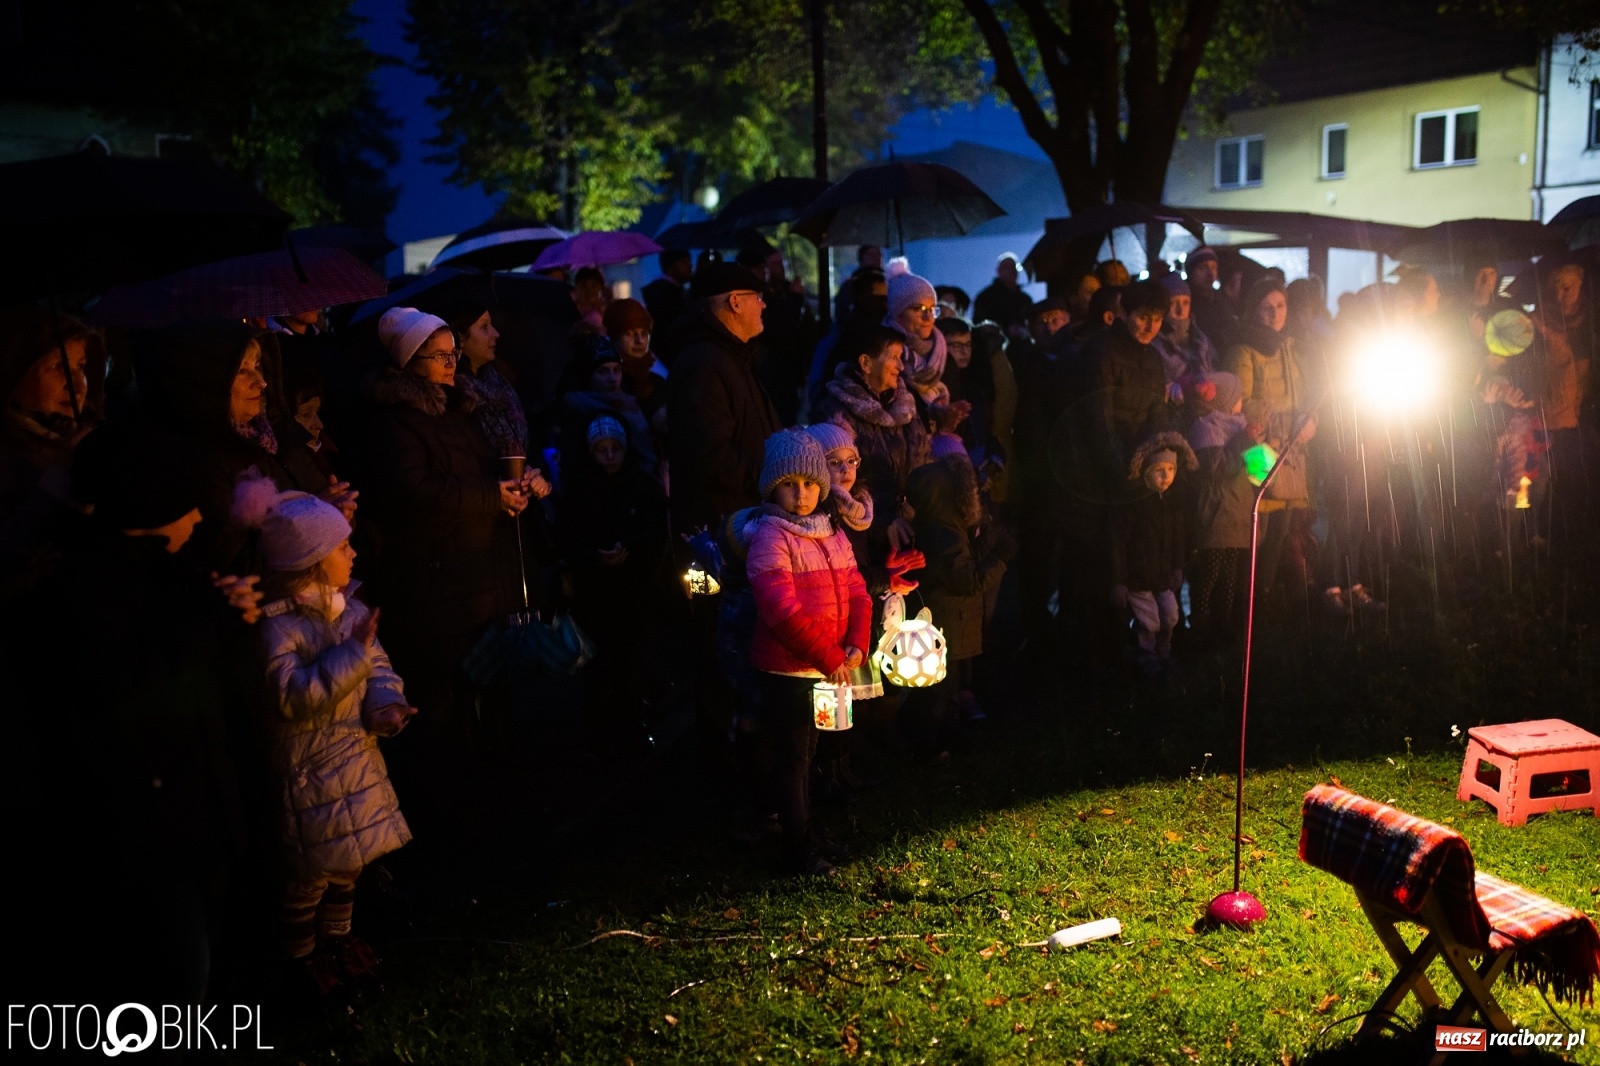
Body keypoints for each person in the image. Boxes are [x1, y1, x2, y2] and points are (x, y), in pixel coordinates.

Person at [233, 477, 413, 992]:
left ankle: (337, 943)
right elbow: (293, 697)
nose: (354, 553)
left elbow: (378, 668)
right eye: (342, 546)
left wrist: (386, 703)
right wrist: (350, 656)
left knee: (347, 866)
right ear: (310, 561)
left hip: (353, 762)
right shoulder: (276, 628)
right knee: (307, 876)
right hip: (308, 775)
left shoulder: (350, 609)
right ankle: (298, 958)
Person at [363, 306, 536, 837]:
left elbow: (483, 467)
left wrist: (517, 482)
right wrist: (488, 496)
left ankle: (484, 801)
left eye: (451, 352)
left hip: (476, 572)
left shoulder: (457, 409)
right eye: (440, 355)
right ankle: (441, 817)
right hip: (435, 582)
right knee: (438, 703)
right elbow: (413, 492)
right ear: (411, 361)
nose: (451, 362)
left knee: (476, 692)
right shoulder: (398, 422)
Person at [742, 428, 871, 874]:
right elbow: (780, 609)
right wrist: (828, 656)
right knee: (794, 759)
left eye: (811, 484)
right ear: (772, 486)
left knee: (810, 755)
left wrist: (856, 641)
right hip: (788, 670)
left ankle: (808, 832)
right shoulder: (770, 536)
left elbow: (857, 590)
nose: (802, 494)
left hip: (824, 667)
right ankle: (798, 849)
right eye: (791, 484)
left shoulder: (832, 533)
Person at [555, 415, 669, 757]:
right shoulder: (578, 488)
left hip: (633, 592)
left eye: (615, 448)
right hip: (595, 594)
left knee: (631, 664)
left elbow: (655, 530)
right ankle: (601, 739)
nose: (609, 456)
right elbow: (567, 535)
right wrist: (592, 555)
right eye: (601, 449)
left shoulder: (642, 485)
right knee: (597, 667)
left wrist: (628, 548)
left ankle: (632, 731)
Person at [905, 450, 1015, 752]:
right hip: (949, 622)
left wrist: (987, 541)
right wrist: (1000, 558)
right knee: (939, 691)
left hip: (950, 621)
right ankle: (928, 745)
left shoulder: (944, 527)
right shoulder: (946, 535)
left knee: (947, 687)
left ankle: (946, 734)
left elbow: (963, 564)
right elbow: (968, 581)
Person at [665, 261, 782, 534]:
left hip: (740, 524)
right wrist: (772, 478)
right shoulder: (704, 365)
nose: (764, 306)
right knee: (703, 581)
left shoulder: (734, 358)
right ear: (735, 302)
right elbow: (711, 457)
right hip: (715, 535)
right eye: (758, 298)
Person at [0, 308, 100, 598]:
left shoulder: (95, 435)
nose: (77, 384)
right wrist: (59, 476)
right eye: (57, 367)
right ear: (14, 373)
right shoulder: (7, 456)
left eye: (81, 366)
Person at [1227, 277, 1317, 597]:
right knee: (1258, 528)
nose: (1275, 314)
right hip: (1258, 448)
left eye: (1280, 306)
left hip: (1291, 449)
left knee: (1281, 526)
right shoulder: (1244, 350)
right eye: (1266, 308)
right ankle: (1246, 601)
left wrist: (1310, 420)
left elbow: (1302, 396)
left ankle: (1263, 595)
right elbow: (1240, 405)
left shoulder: (1288, 347)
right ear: (1253, 311)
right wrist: (1275, 427)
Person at [813, 325, 931, 554]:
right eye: (894, 357)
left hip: (912, 526)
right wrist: (881, 522)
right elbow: (840, 484)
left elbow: (924, 459)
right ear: (866, 363)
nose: (900, 366)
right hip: (864, 537)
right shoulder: (836, 414)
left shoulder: (906, 407)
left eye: (901, 357)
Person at [1109, 433, 1195, 675]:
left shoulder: (1171, 501)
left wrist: (1178, 566)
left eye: (1171, 468)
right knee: (1150, 621)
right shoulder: (1133, 502)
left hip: (1162, 576)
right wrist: (1118, 580)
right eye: (1159, 469)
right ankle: (1144, 655)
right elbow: (1118, 542)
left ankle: (1163, 653)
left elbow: (1177, 538)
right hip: (1137, 578)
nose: (1166, 475)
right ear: (1146, 469)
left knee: (1170, 616)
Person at [1186, 372, 1257, 644]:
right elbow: (1219, 470)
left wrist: (1257, 444)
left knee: (1229, 576)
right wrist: (1243, 442)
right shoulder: (1207, 428)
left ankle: (1223, 625)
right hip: (1216, 512)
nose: (1241, 403)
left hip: (1235, 511)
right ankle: (1200, 627)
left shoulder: (1236, 426)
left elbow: (1252, 469)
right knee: (1209, 574)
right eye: (1237, 398)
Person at [558, 335, 656, 481]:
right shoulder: (579, 412)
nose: (612, 378)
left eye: (616, 370)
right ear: (589, 376)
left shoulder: (632, 404)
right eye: (603, 371)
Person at [884, 260, 951, 406]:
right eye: (918, 309)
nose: (928, 317)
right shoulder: (883, 355)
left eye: (932, 309)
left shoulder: (944, 351)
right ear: (898, 313)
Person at [1150, 273, 1217, 400]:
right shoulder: (1155, 342)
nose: (1181, 310)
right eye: (1173, 303)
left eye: (1186, 303)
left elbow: (1215, 371)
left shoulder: (1201, 340)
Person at [602, 297, 667, 420]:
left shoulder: (659, 383)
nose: (640, 341)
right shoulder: (608, 382)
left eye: (644, 333)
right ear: (615, 338)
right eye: (630, 333)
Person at [1186, 246, 1236, 356]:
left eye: (1213, 267)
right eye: (1202, 268)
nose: (1210, 273)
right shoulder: (1185, 301)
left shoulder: (1221, 298)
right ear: (1191, 272)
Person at [973, 253, 1035, 339]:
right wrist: (1004, 329)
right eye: (1007, 267)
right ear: (999, 271)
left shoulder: (1026, 299)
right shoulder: (986, 297)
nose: (1011, 270)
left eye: (1014, 267)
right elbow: (979, 325)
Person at [641, 248, 694, 340]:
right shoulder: (665, 294)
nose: (690, 266)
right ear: (672, 266)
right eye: (684, 262)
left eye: (689, 262)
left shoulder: (672, 291)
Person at [835, 244, 883, 324]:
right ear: (862, 259)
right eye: (871, 254)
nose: (876, 257)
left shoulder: (887, 282)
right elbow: (842, 314)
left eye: (878, 255)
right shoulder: (851, 284)